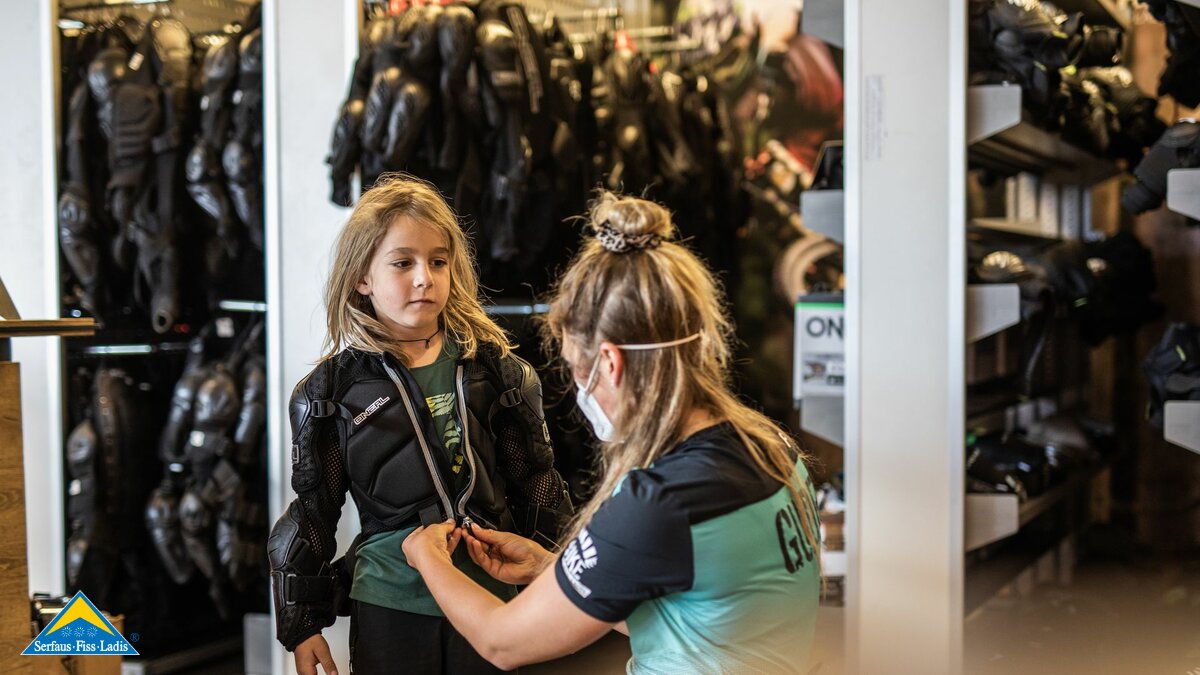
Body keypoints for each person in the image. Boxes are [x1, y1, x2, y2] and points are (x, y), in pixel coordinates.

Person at [403, 192, 823, 673]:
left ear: (609, 362)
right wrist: (550, 568)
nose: (582, 390)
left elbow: (502, 641)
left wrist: (427, 558)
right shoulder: (770, 447)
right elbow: (698, 614)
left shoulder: (662, 499)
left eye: (577, 369)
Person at [267, 174, 572, 675]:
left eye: (438, 261)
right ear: (362, 277)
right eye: (402, 263)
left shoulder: (499, 372)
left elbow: (538, 485)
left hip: (491, 597)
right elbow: (312, 513)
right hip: (389, 603)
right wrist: (302, 625)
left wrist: (558, 585)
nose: (424, 278)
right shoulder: (329, 392)